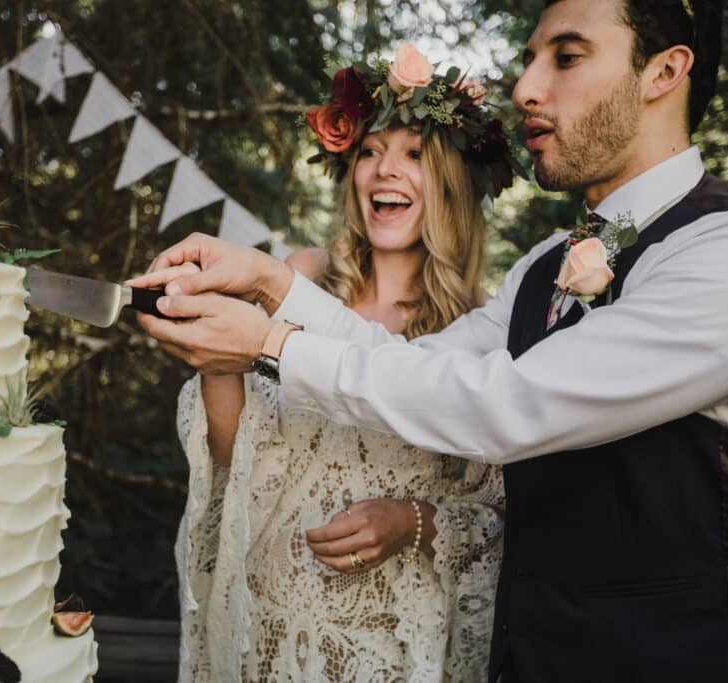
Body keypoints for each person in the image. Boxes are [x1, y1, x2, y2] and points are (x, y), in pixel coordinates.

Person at [135, 0, 728, 680]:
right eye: (533, 58)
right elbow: (414, 364)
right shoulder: (545, 265)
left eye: (565, 57)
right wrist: (274, 283)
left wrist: (270, 346)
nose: (525, 88)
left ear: (664, 71)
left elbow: (505, 405)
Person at [167, 44, 523, 682]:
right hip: (271, 625)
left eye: (414, 154)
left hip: (388, 643)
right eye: (368, 151)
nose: (384, 171)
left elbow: (502, 519)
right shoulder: (300, 278)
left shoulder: (482, 324)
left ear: (450, 181)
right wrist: (215, 358)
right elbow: (230, 453)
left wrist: (410, 521)